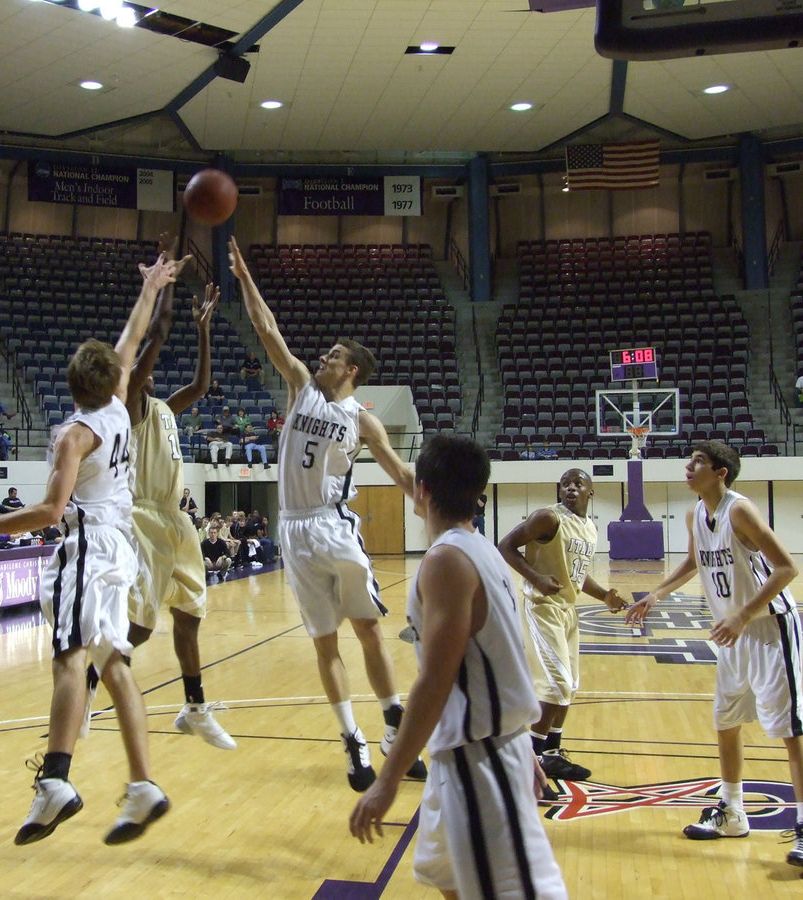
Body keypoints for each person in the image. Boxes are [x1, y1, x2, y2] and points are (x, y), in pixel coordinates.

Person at [0, 249, 187, 846]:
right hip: (120, 547)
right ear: (112, 381)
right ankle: (143, 786)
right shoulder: (119, 403)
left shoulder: (74, 435)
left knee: (68, 660)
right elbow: (131, 338)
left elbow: (51, 513)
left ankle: (57, 780)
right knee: (112, 662)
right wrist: (153, 287)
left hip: (87, 547)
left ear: (70, 384)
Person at [229, 236, 426, 790]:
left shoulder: (363, 421)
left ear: (354, 371)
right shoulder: (300, 388)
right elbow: (268, 330)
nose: (323, 358)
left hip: (333, 525)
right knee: (324, 642)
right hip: (293, 528)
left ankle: (392, 727)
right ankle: (352, 743)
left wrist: (434, 505)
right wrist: (246, 277)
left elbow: (399, 473)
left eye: (334, 356)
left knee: (367, 628)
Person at [349, 434, 569, 900]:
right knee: (447, 875)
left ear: (423, 491)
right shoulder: (479, 548)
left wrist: (388, 780)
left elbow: (435, 679)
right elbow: (503, 656)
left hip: (480, 761)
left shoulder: (446, 560)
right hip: (466, 751)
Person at [626, 441, 803, 872]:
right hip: (734, 633)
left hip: (768, 628)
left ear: (721, 473)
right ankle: (732, 812)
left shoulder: (739, 511)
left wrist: (745, 615)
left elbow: (787, 568)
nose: (688, 467)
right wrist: (656, 593)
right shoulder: (696, 512)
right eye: (689, 461)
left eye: (698, 462)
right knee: (726, 721)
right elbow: (695, 560)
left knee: (790, 726)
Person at [122, 267, 235, 751]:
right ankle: (87, 683)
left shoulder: (164, 406)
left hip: (176, 521)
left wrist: (204, 331)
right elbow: (147, 355)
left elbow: (202, 385)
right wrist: (163, 290)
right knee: (140, 628)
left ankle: (193, 707)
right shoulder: (128, 403)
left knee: (189, 616)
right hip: (142, 520)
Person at [498, 467, 628, 799]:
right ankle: (527, 764)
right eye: (565, 484)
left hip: (568, 610)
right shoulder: (547, 518)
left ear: (591, 491)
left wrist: (605, 597)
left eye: (578, 483)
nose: (570, 487)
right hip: (542, 607)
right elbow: (506, 546)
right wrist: (535, 578)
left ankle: (551, 755)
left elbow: (578, 575)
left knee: (569, 685)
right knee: (555, 683)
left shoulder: (589, 528)